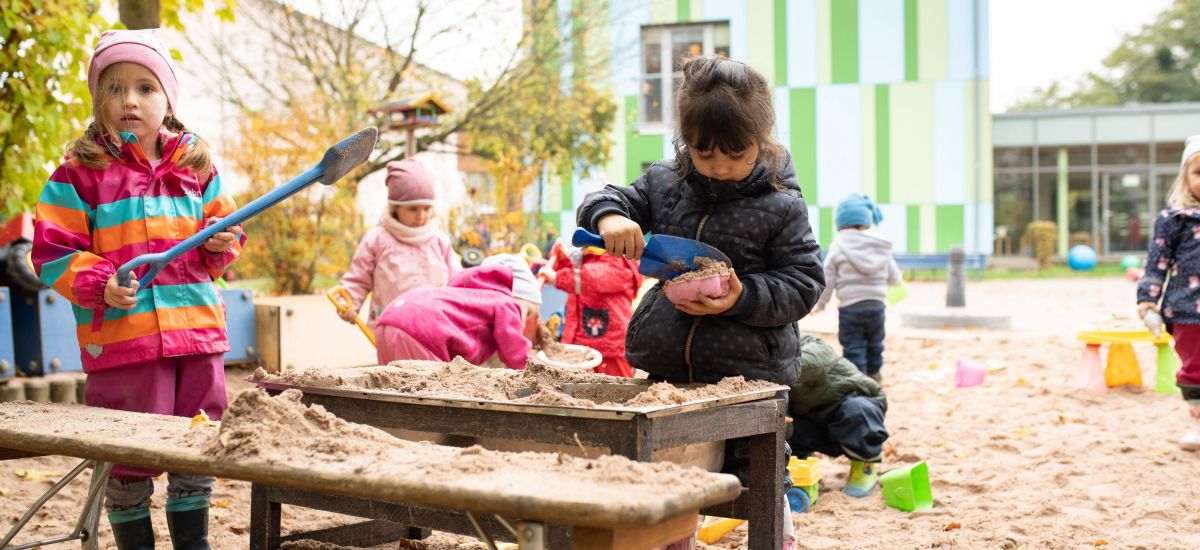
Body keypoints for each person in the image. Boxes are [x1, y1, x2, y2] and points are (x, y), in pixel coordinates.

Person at [575, 55, 824, 550]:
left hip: (749, 374)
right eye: (705, 154)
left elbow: (803, 282)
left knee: (756, 471)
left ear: (763, 135)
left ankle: (779, 539)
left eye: (736, 154)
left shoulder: (782, 205)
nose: (721, 168)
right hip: (670, 366)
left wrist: (741, 295)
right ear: (685, 138)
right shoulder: (666, 183)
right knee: (672, 470)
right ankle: (674, 540)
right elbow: (607, 197)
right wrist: (609, 218)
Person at [31, 29, 244, 549]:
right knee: (128, 450)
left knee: (197, 439)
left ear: (167, 99)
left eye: (146, 88)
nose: (129, 100)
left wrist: (219, 242)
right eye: (114, 88)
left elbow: (227, 235)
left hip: (195, 336)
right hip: (125, 345)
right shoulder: (80, 175)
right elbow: (52, 251)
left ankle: (193, 540)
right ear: (97, 100)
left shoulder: (197, 170)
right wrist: (101, 283)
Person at [337, 158, 460, 327]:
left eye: (427, 208)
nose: (421, 216)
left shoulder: (439, 240)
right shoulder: (378, 239)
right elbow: (358, 278)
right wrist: (348, 302)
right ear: (395, 208)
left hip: (435, 327)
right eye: (413, 209)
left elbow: (458, 281)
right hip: (391, 329)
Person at [1138, 134, 1200, 450]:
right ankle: (1199, 421)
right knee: (1193, 371)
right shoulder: (1173, 219)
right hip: (1187, 310)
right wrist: (1148, 300)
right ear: (1185, 177)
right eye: (1199, 172)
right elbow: (1156, 263)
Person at [374, 254, 541, 370]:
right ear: (515, 293)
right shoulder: (505, 302)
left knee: (394, 389)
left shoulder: (467, 297)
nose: (524, 322)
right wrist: (535, 370)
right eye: (527, 312)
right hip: (419, 332)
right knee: (432, 395)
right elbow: (515, 353)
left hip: (390, 318)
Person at [787, 331, 888, 499]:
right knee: (784, 428)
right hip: (816, 422)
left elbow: (821, 357)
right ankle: (803, 470)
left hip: (852, 403)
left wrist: (782, 370)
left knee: (857, 412)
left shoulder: (803, 340)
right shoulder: (765, 372)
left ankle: (864, 465)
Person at [813, 194, 902, 382]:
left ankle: (857, 377)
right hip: (877, 306)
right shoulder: (880, 246)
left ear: (840, 223)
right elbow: (894, 278)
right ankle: (874, 373)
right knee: (875, 343)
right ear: (866, 221)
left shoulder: (838, 246)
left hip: (850, 308)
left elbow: (827, 279)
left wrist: (820, 304)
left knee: (853, 345)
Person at [544, 239, 642, 377]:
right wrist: (563, 261)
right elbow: (579, 275)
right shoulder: (590, 255)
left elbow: (590, 278)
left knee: (615, 387)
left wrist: (557, 278)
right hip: (581, 341)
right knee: (577, 385)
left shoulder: (618, 259)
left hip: (608, 348)